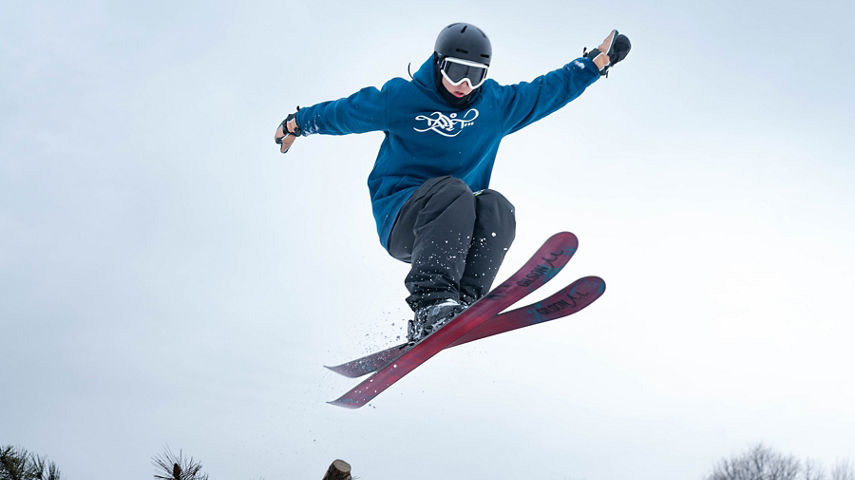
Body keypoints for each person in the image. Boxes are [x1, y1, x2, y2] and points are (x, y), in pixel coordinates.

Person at [274, 23, 631, 342]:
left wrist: (594, 65)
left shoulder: (495, 106)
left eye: (475, 75)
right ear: (438, 63)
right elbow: (345, 112)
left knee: (495, 206)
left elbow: (546, 91)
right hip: (403, 220)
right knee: (454, 190)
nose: (464, 85)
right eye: (457, 72)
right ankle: (431, 305)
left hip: (454, 231)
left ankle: (463, 302)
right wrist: (298, 123)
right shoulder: (401, 99)